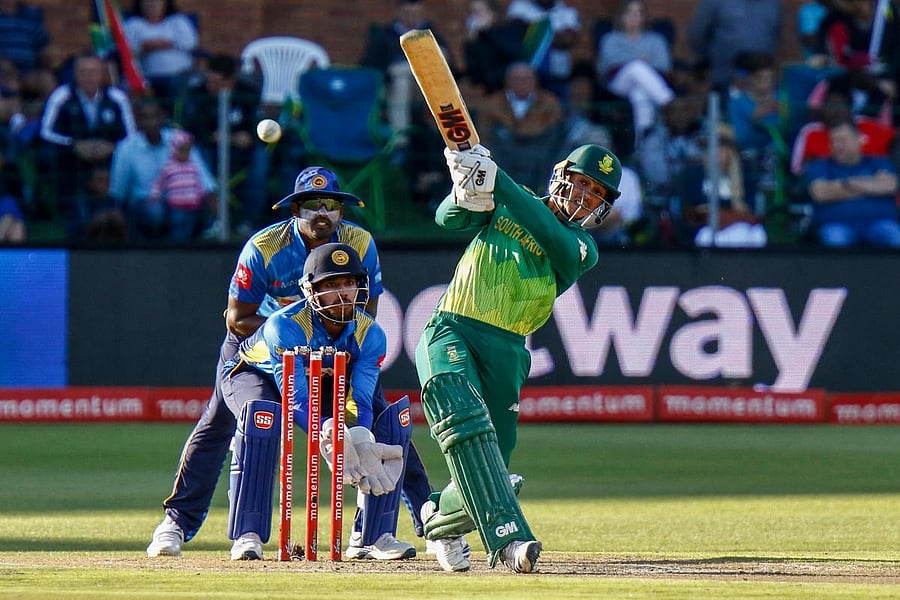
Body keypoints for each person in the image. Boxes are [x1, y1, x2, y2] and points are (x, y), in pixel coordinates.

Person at [146, 167, 435, 561]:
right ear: (295, 210)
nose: (323, 212)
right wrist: (297, 332)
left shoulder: (359, 243)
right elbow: (237, 318)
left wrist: (351, 420)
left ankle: (424, 521)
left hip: (332, 343)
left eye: (330, 204)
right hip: (257, 347)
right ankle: (178, 522)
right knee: (237, 421)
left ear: (341, 211)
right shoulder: (265, 247)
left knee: (380, 421)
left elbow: (362, 314)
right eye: (312, 204)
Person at [414, 142, 622, 573]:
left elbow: (549, 234)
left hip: (508, 349)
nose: (585, 196)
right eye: (582, 183)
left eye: (597, 193)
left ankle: (439, 521)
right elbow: (446, 219)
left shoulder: (583, 247)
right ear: (561, 176)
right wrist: (465, 190)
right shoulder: (508, 200)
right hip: (454, 326)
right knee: (461, 414)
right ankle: (509, 541)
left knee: (491, 465)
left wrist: (497, 178)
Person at [217, 242, 414, 561]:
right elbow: (295, 399)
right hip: (253, 374)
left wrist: (360, 437)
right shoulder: (285, 325)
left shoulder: (371, 334)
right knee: (261, 421)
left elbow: (361, 399)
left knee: (388, 423)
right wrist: (329, 431)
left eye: (349, 283)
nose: (343, 293)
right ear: (311, 291)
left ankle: (373, 535)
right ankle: (247, 534)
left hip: (321, 378)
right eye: (331, 285)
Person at [39, 52, 136, 238]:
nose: (88, 77)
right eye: (83, 72)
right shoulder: (61, 95)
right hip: (72, 159)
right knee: (49, 156)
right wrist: (74, 145)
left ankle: (119, 215)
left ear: (102, 74)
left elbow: (131, 135)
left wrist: (112, 147)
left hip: (109, 159)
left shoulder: (117, 98)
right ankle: (70, 216)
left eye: (93, 72)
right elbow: (45, 132)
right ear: (75, 74)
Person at [109, 97, 214, 240]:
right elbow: (118, 191)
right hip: (144, 203)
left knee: (183, 211)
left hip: (180, 199)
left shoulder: (180, 140)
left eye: (154, 116)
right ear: (138, 121)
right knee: (156, 211)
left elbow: (204, 179)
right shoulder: (126, 148)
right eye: (145, 118)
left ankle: (178, 250)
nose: (151, 122)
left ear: (162, 117)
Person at [360, 0, 452, 145]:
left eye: (416, 13)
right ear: (399, 12)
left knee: (440, 53)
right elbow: (370, 66)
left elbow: (448, 66)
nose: (412, 17)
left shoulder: (431, 35)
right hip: (392, 87)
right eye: (408, 13)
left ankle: (403, 69)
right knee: (401, 83)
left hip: (425, 89)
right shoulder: (385, 36)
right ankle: (400, 141)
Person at [804, 118, 900, 247]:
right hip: (836, 225)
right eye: (833, 141)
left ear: (859, 139)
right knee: (835, 238)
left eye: (842, 140)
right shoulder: (820, 166)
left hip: (881, 223)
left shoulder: (880, 162)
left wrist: (845, 184)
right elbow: (820, 193)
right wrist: (873, 185)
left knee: (895, 237)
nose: (837, 145)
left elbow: (890, 186)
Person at [477, 62, 566, 195]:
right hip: (503, 158)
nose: (522, 83)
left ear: (535, 81)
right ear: (507, 82)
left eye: (527, 79)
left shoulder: (550, 102)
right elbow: (484, 135)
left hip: (539, 157)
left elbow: (555, 134)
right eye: (517, 79)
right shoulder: (492, 104)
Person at [597, 0, 675, 142]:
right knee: (636, 67)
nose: (634, 17)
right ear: (621, 16)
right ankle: (668, 102)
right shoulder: (610, 39)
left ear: (644, 17)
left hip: (648, 83)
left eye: (638, 13)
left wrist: (636, 60)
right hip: (618, 82)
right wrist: (640, 60)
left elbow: (664, 64)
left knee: (639, 93)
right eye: (629, 13)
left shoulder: (656, 40)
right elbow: (610, 63)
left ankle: (642, 140)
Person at [687, 0, 783, 101]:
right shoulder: (715, 2)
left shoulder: (773, 3)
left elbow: (776, 35)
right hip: (725, 81)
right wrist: (705, 59)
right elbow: (698, 34)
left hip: (763, 87)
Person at [506, 0, 582, 105]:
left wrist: (535, 32)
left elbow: (568, 39)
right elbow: (516, 35)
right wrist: (554, 34)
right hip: (526, 76)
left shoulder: (567, 11)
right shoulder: (519, 7)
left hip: (557, 76)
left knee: (557, 109)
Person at [124, 0, 198, 102]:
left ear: (165, 3)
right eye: (148, 2)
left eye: (157, 2)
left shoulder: (178, 21)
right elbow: (127, 48)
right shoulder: (133, 24)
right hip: (147, 77)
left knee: (182, 85)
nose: (152, 4)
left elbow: (190, 43)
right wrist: (145, 47)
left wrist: (153, 44)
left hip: (179, 76)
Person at [149, 128, 215, 241]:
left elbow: (197, 183)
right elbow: (160, 182)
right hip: (176, 205)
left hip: (192, 204)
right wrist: (155, 193)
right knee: (177, 225)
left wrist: (201, 194)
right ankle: (176, 244)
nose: (185, 154)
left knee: (188, 226)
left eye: (187, 151)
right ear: (174, 150)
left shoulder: (193, 167)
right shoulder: (169, 167)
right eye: (182, 151)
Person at [0, 0, 49, 74]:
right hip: (3, 71)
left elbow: (42, 44)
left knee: (46, 78)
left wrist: (46, 58)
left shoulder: (32, 14)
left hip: (28, 71)